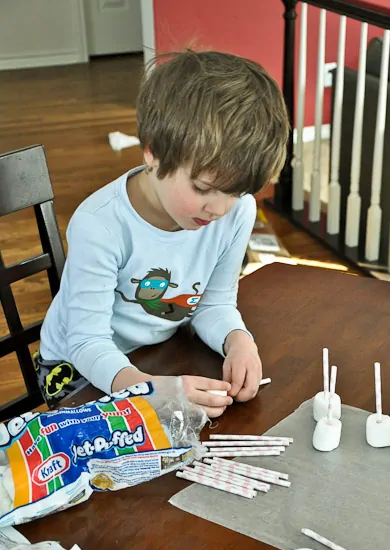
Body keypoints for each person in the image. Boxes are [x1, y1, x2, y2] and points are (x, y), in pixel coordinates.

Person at [36, 49, 290, 418]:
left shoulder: (238, 213)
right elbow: (86, 341)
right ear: (152, 153)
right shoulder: (100, 225)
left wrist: (238, 341)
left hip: (159, 353)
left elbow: (213, 303)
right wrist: (146, 389)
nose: (219, 209)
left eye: (236, 193)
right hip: (76, 369)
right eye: (203, 188)